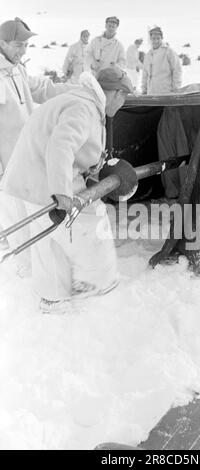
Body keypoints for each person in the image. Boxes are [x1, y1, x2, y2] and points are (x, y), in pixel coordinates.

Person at [2, 67, 134, 314]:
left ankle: (52, 297)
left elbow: (74, 145)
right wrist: (62, 193)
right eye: (124, 95)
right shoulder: (83, 107)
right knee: (90, 221)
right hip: (42, 180)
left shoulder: (85, 102)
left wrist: (93, 163)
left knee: (48, 239)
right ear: (115, 92)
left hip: (30, 180)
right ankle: (95, 281)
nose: (124, 101)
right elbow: (60, 146)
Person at [0, 18, 76, 273]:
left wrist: (75, 91)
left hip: (23, 158)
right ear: (3, 42)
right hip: (5, 165)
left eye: (26, 45)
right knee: (14, 218)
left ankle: (32, 267)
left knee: (27, 214)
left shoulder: (15, 68)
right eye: (19, 44)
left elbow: (41, 88)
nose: (23, 51)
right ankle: (24, 274)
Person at [142, 26, 182, 95]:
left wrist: (176, 88)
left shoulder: (169, 52)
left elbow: (177, 70)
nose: (156, 41)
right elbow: (145, 74)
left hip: (166, 93)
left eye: (158, 38)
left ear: (162, 38)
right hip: (151, 93)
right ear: (150, 39)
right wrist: (144, 89)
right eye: (154, 39)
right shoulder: (148, 55)